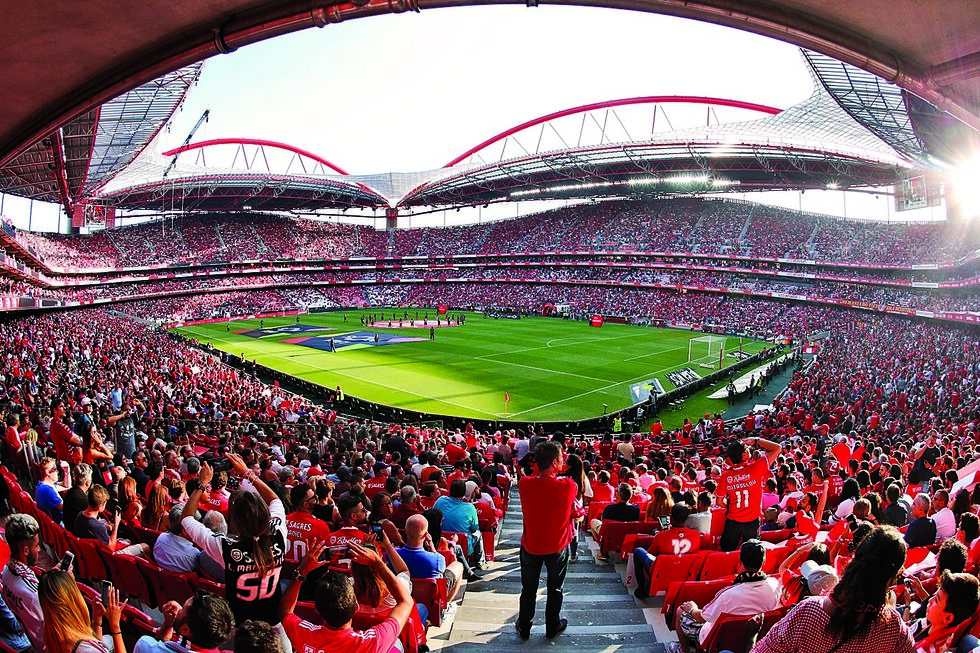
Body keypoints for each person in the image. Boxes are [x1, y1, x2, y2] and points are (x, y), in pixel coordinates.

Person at [752, 526, 915, 653]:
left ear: (855, 558)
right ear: (892, 578)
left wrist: (750, 637)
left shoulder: (808, 613)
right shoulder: (893, 628)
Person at [180, 455, 290, 644]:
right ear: (266, 516)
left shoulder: (225, 547)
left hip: (240, 628)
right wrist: (248, 474)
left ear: (234, 523)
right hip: (273, 624)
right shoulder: (278, 534)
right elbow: (276, 500)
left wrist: (202, 483)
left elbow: (186, 518)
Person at [280, 541, 415, 653]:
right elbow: (405, 601)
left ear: (317, 609)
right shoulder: (372, 642)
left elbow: (285, 611)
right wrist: (377, 563)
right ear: (355, 607)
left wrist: (301, 571)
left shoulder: (304, 634)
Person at [671, 539, 781, 652]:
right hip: (753, 636)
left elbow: (702, 617)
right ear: (763, 562)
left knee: (681, 610)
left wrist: (692, 609)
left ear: (740, 563)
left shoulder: (728, 595)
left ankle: (683, 650)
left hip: (714, 640)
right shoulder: (776, 585)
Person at [516, 440, 577, 640]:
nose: (563, 462)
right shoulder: (568, 485)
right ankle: (552, 625)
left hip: (531, 547)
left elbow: (530, 476)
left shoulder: (524, 484)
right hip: (557, 548)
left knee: (529, 589)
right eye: (560, 459)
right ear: (553, 463)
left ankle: (524, 626)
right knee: (555, 588)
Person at [38, 569, 127, 653]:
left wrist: (97, 620)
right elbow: (93, 648)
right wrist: (115, 626)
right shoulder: (86, 649)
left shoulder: (52, 634)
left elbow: (97, 644)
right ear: (73, 600)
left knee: (108, 639)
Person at [716, 437, 780, 552]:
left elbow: (719, 502)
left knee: (726, 552)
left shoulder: (726, 476)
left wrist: (730, 507)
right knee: (751, 554)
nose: (749, 449)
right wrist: (757, 440)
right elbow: (777, 448)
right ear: (744, 455)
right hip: (752, 520)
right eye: (746, 448)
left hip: (733, 520)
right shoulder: (756, 468)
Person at [634, 503, 701, 598]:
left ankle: (642, 589)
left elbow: (650, 553)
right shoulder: (696, 535)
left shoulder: (662, 536)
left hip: (662, 570)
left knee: (638, 551)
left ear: (672, 519)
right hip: (685, 571)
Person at [1, 514, 47, 653]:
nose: (38, 549)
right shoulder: (33, 594)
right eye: (37, 545)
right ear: (26, 551)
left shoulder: (6, 572)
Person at [134, 592, 235, 653]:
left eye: (182, 609)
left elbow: (157, 647)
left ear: (185, 629)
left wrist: (167, 627)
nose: (178, 609)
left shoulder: (145, 645)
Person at [75, 485, 151, 557]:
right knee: (146, 547)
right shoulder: (98, 527)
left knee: (128, 541)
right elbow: (111, 547)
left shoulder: (79, 515)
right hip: (107, 557)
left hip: (89, 552)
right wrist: (117, 523)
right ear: (100, 505)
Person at [433, 479, 483, 566]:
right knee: (478, 534)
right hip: (460, 544)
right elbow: (475, 529)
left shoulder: (440, 501)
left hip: (440, 542)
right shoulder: (470, 507)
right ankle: (480, 562)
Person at [35, 457, 64, 524]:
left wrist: (67, 471)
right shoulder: (47, 490)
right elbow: (64, 508)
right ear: (47, 472)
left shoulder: (42, 485)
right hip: (59, 524)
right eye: (54, 469)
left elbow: (66, 485)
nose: (57, 472)